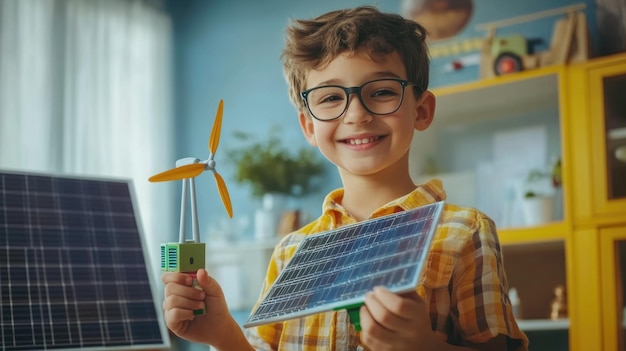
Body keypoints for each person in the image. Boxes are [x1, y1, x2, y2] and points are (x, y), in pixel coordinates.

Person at [162, 5, 529, 351]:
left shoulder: (464, 231)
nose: (356, 114)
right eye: (330, 98)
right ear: (308, 126)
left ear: (422, 110)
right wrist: (223, 332)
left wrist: (425, 345)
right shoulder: (291, 250)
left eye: (382, 91)